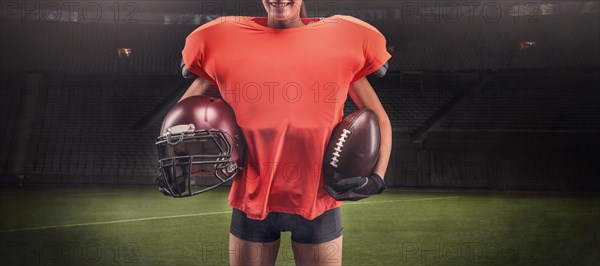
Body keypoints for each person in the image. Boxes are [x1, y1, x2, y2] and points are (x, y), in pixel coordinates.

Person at [179, 1, 392, 265]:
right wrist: (178, 155)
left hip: (318, 199)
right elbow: (185, 113)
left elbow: (378, 117)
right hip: (251, 199)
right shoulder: (224, 42)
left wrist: (377, 178)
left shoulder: (340, 41)